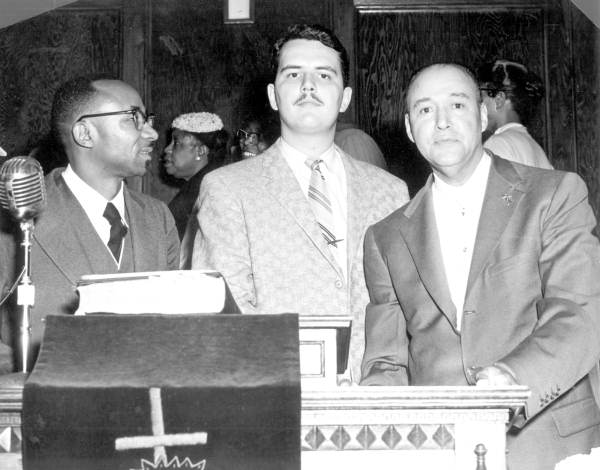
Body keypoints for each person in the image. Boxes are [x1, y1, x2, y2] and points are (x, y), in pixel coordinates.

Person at [359, 63, 600, 470]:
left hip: (549, 449)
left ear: (484, 115)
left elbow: (577, 314)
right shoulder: (384, 238)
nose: (442, 122)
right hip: (438, 453)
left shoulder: (555, 194)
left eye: (457, 104)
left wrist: (511, 378)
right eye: (424, 110)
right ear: (407, 127)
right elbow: (387, 363)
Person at [191, 24, 408, 382]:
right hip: (276, 397)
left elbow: (401, 310)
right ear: (274, 96)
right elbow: (226, 315)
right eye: (293, 74)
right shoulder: (227, 189)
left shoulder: (390, 192)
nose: (308, 85)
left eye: (324, 75)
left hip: (374, 398)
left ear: (346, 97)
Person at [0, 76, 180, 367]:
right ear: (85, 133)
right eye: (134, 118)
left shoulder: (157, 218)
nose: (153, 134)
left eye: (148, 119)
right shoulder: (12, 217)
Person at [163, 112, 228, 240]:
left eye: (176, 143)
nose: (167, 149)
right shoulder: (201, 186)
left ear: (200, 151)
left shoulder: (209, 193)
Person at [478, 59, 552, 169]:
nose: (477, 106)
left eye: (481, 98)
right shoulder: (536, 149)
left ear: (499, 100)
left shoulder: (498, 145)